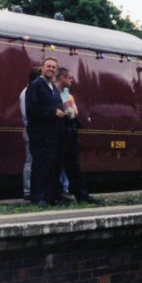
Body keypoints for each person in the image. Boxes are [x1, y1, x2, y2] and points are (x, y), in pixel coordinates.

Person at [25, 56, 67, 205]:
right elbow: (32, 108)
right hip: (40, 132)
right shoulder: (36, 85)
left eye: (54, 67)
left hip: (53, 133)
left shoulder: (53, 88)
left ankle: (50, 197)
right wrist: (53, 112)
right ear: (42, 68)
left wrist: (62, 111)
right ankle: (37, 198)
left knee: (52, 164)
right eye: (48, 66)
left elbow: (59, 104)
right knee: (41, 164)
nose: (51, 69)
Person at [55, 67, 96, 203]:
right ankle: (60, 194)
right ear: (62, 78)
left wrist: (67, 112)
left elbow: (74, 112)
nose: (72, 80)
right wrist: (68, 111)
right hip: (60, 132)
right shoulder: (54, 92)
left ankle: (81, 194)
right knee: (58, 165)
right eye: (70, 78)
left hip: (70, 131)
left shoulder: (66, 92)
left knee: (74, 164)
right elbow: (68, 111)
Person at [19, 66, 41, 201]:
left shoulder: (27, 91)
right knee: (30, 161)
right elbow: (28, 114)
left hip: (32, 129)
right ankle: (28, 190)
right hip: (32, 129)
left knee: (32, 161)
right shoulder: (28, 92)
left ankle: (31, 189)